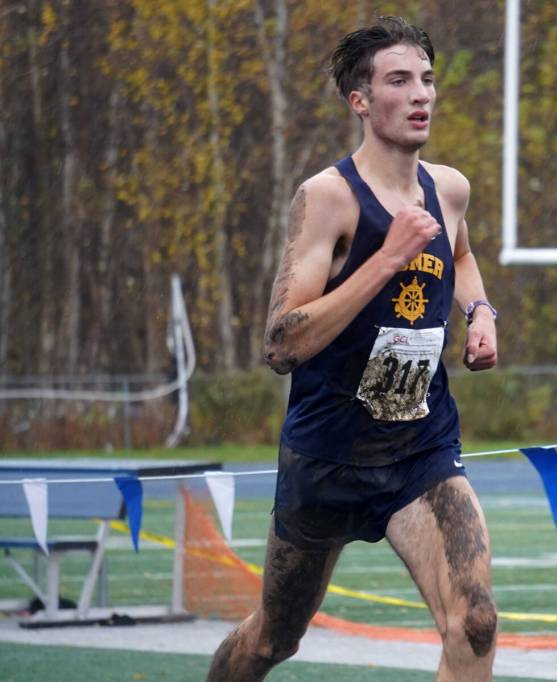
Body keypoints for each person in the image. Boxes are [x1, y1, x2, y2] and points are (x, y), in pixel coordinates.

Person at [206, 16, 499, 682]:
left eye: (427, 78)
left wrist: (480, 311)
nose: (421, 93)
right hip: (328, 459)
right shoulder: (328, 199)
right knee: (272, 641)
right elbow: (281, 344)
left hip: (419, 450)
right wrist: (385, 259)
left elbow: (462, 255)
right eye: (399, 80)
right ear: (360, 101)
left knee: (475, 620)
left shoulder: (448, 189)